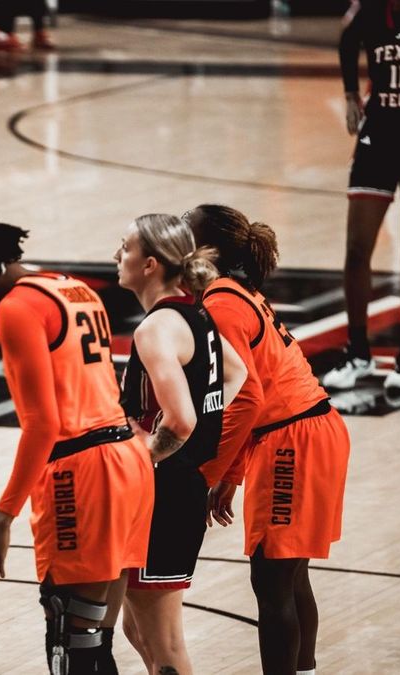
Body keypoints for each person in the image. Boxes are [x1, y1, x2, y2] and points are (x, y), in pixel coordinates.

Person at [0, 202, 154, 675]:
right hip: (129, 461)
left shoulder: (17, 309)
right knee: (94, 641)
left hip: (83, 472)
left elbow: (41, 424)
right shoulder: (74, 288)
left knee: (69, 639)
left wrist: (2, 519)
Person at [187, 204, 351, 675]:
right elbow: (254, 396)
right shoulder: (236, 292)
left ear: (209, 249)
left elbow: (247, 400)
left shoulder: (221, 302)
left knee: (274, 581)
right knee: (291, 576)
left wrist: (211, 474)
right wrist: (233, 475)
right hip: (307, 431)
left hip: (293, 439)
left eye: (187, 230)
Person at [114, 214, 248, 675]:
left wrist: (142, 462)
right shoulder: (197, 315)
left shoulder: (157, 329)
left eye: (126, 248)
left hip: (162, 491)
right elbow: (236, 373)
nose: (118, 256)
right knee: (138, 630)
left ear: (150, 263)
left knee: (166, 644)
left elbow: (182, 420)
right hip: (179, 486)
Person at [325, 0, 400, 391]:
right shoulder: (372, 9)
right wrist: (348, 94)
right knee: (357, 249)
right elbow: (346, 39)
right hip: (377, 137)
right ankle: (357, 351)